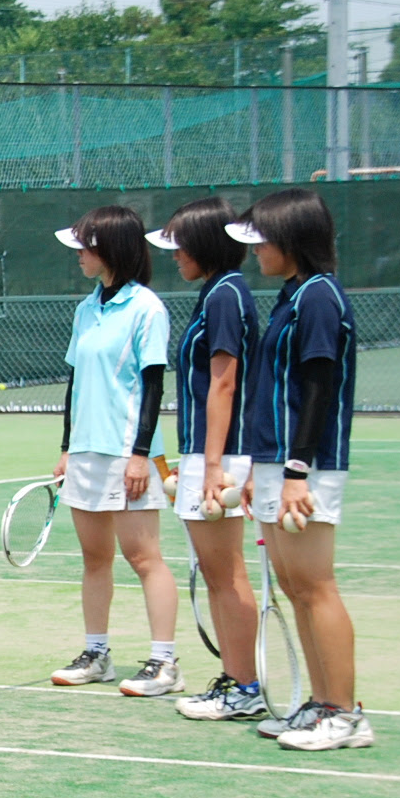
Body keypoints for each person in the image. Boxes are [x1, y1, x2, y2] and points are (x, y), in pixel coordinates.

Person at [232, 189, 369, 750]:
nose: (256, 250)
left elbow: (319, 385)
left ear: (291, 240)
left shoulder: (318, 297)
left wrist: (296, 470)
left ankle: (346, 713)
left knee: (315, 586)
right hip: (276, 464)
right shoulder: (293, 295)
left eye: (263, 239)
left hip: (304, 468)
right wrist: (256, 469)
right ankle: (319, 704)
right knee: (293, 585)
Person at [50, 207, 181, 696]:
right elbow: (75, 383)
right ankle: (97, 653)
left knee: (144, 557)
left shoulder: (147, 308)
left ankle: (164, 662)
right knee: (94, 558)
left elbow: (153, 385)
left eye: (85, 247)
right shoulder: (86, 309)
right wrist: (67, 448)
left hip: (129, 452)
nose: (79, 256)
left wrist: (140, 454)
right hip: (86, 451)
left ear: (109, 249)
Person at [144, 202, 264, 723]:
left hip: (221, 454)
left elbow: (225, 381)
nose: (176, 256)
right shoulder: (218, 293)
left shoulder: (225, 296)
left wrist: (213, 466)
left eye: (182, 245)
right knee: (217, 574)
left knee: (225, 573)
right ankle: (237, 681)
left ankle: (245, 685)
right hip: (209, 452)